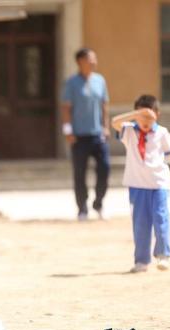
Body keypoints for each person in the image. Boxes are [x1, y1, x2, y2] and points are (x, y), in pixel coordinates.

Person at [111, 95, 170, 273]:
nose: (146, 120)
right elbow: (114, 122)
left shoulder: (162, 132)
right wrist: (136, 114)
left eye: (150, 115)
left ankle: (163, 255)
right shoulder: (129, 131)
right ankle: (141, 260)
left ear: (157, 115)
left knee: (160, 217)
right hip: (137, 184)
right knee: (140, 223)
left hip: (159, 183)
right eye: (142, 116)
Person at [62, 48, 111, 221]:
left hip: (98, 134)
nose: (94, 62)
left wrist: (106, 127)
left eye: (94, 58)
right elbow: (66, 108)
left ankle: (98, 203)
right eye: (91, 59)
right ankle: (82, 208)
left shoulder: (100, 81)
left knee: (105, 168)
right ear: (80, 61)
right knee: (80, 173)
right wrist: (67, 130)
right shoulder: (72, 83)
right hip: (79, 136)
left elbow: (104, 105)